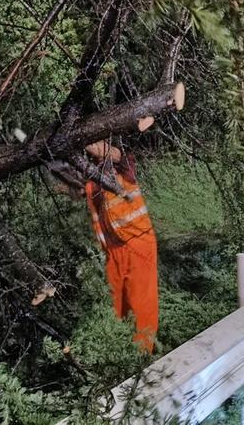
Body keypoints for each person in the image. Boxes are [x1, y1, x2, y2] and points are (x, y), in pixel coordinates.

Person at [81, 140, 159, 353]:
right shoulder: (92, 178)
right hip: (114, 250)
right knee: (117, 306)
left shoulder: (125, 166)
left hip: (138, 243)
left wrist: (81, 138)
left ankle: (142, 355)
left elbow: (109, 151)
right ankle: (120, 355)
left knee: (142, 304)